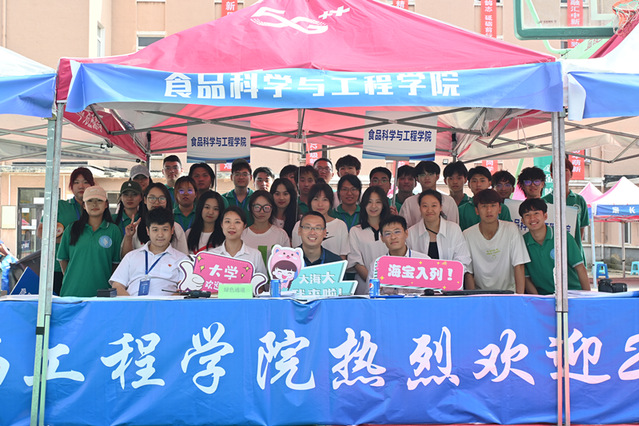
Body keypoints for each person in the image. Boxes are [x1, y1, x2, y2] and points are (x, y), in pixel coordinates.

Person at [37, 166, 96, 296]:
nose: (81, 186)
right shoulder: (60, 206)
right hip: (59, 269)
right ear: (71, 186)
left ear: (92, 185)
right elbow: (41, 232)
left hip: (91, 269)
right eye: (76, 182)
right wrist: (66, 240)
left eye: (85, 182)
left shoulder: (97, 208)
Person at [57, 186, 122, 297]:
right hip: (71, 293)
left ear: (106, 204)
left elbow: (116, 264)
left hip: (101, 295)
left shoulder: (113, 230)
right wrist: (73, 277)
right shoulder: (72, 229)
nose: (94, 204)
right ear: (84, 205)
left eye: (99, 200)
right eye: (90, 201)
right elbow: (63, 259)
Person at [463, 189, 529, 293]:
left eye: (493, 206)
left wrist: (519, 297)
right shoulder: (467, 235)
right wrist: (473, 298)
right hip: (480, 295)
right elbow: (468, 273)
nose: (489, 210)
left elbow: (519, 265)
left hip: (509, 293)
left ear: (499, 209)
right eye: (484, 206)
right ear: (477, 210)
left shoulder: (511, 229)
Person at [519, 198, 590, 294]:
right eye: (527, 215)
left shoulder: (562, 236)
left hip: (571, 293)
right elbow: (526, 277)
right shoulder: (522, 242)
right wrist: (538, 299)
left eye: (536, 213)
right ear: (522, 221)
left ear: (545, 216)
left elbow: (580, 268)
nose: (532, 218)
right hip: (544, 296)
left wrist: (587, 296)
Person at [110, 208, 187, 296]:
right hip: (134, 303)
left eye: (165, 229)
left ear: (172, 230)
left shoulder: (182, 260)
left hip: (167, 304)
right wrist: (131, 302)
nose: (160, 235)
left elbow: (184, 290)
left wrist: (167, 303)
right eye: (155, 230)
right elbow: (117, 285)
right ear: (148, 231)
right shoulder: (131, 256)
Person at [406, 189, 472, 285]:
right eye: (425, 206)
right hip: (420, 287)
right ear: (419, 208)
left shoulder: (453, 229)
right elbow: (408, 262)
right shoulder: (411, 233)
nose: (429, 210)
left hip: (449, 286)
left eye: (434, 205)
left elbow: (463, 260)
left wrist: (445, 277)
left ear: (440, 207)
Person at [121, 183, 188, 256]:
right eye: (152, 198)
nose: (156, 202)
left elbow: (184, 258)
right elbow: (126, 258)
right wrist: (129, 237)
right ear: (145, 200)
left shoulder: (176, 228)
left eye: (161, 198)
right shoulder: (135, 228)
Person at [348, 186, 391, 294]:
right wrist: (374, 283)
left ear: (384, 204)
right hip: (364, 286)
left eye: (378, 202)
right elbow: (356, 262)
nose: (373, 206)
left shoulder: (391, 230)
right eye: (369, 202)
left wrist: (386, 284)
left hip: (390, 286)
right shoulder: (355, 231)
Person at [542, 158, 589, 257]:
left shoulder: (579, 200)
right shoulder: (544, 201)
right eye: (557, 170)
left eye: (565, 170)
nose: (561, 174)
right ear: (552, 175)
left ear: (571, 174)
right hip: (551, 254)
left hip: (575, 255)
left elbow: (581, 229)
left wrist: (575, 249)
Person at [366, 215, 430, 288]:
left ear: (406, 233)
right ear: (382, 238)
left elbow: (433, 292)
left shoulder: (424, 261)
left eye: (397, 232)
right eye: (388, 233)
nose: (393, 237)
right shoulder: (377, 265)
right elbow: (369, 292)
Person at [292, 183, 349, 259]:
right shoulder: (299, 225)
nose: (320, 204)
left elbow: (343, 256)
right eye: (316, 199)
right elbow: (296, 254)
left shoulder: (340, 225)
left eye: (325, 200)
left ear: (330, 202)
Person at [208, 206, 267, 277]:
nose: (232, 226)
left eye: (237, 222)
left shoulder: (255, 255)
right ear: (222, 225)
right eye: (227, 221)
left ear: (244, 226)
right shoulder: (211, 255)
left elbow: (262, 283)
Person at [400, 161, 459, 228]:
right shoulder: (409, 202)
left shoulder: (449, 201)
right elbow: (404, 228)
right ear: (417, 178)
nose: (427, 178)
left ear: (437, 176)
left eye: (430, 174)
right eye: (422, 175)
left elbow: (454, 227)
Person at [242, 190, 290, 265]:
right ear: (251, 208)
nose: (262, 211)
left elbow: (287, 262)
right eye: (257, 207)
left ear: (272, 208)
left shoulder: (281, 235)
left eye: (266, 207)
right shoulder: (242, 235)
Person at [458, 166, 512, 231]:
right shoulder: (462, 210)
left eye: (482, 181)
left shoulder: (502, 208)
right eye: (474, 181)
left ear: (489, 183)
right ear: (469, 184)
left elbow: (508, 231)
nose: (478, 184)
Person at [223, 158, 254, 222]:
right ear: (231, 177)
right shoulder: (223, 199)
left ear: (251, 177)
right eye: (237, 174)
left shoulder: (256, 198)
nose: (241, 177)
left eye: (245, 174)